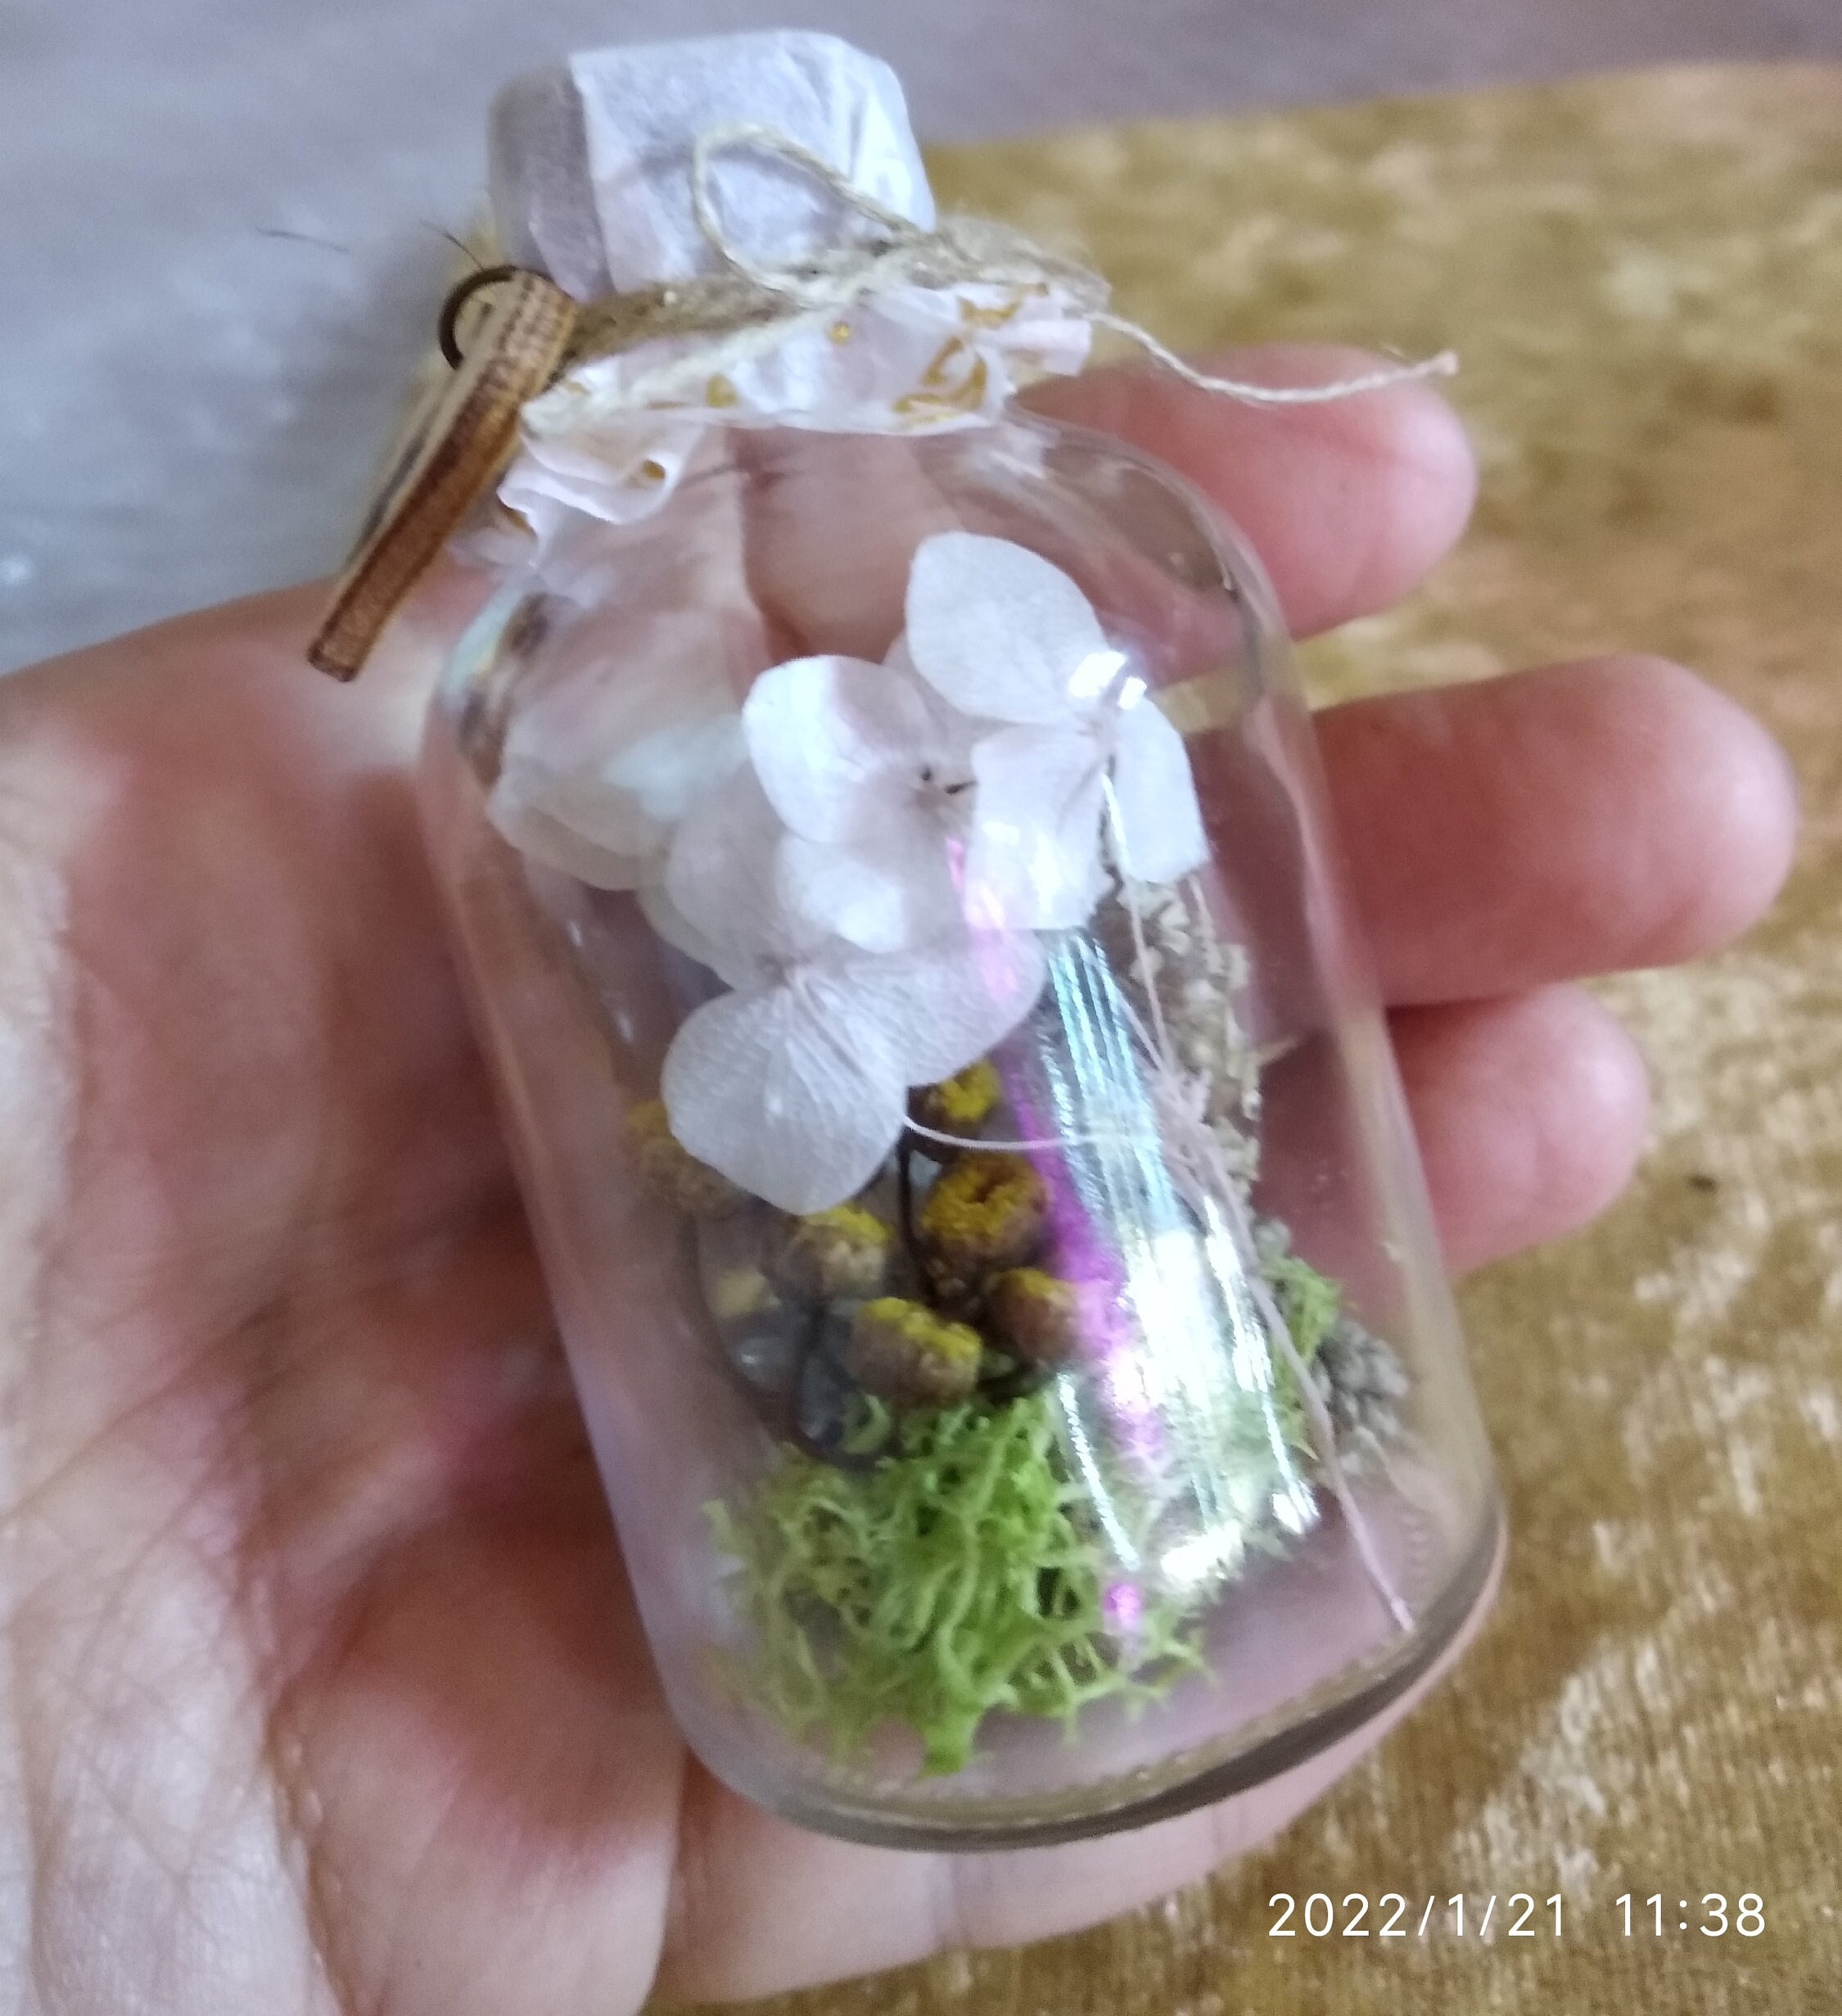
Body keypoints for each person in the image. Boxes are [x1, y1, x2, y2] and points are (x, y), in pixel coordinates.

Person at [0, 353, 1795, 2013]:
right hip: (830, 1117)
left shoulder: (1047, 555)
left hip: (996, 1150)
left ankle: (1198, 1466)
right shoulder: (557, 693)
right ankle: (916, 1543)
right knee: (815, 1202)